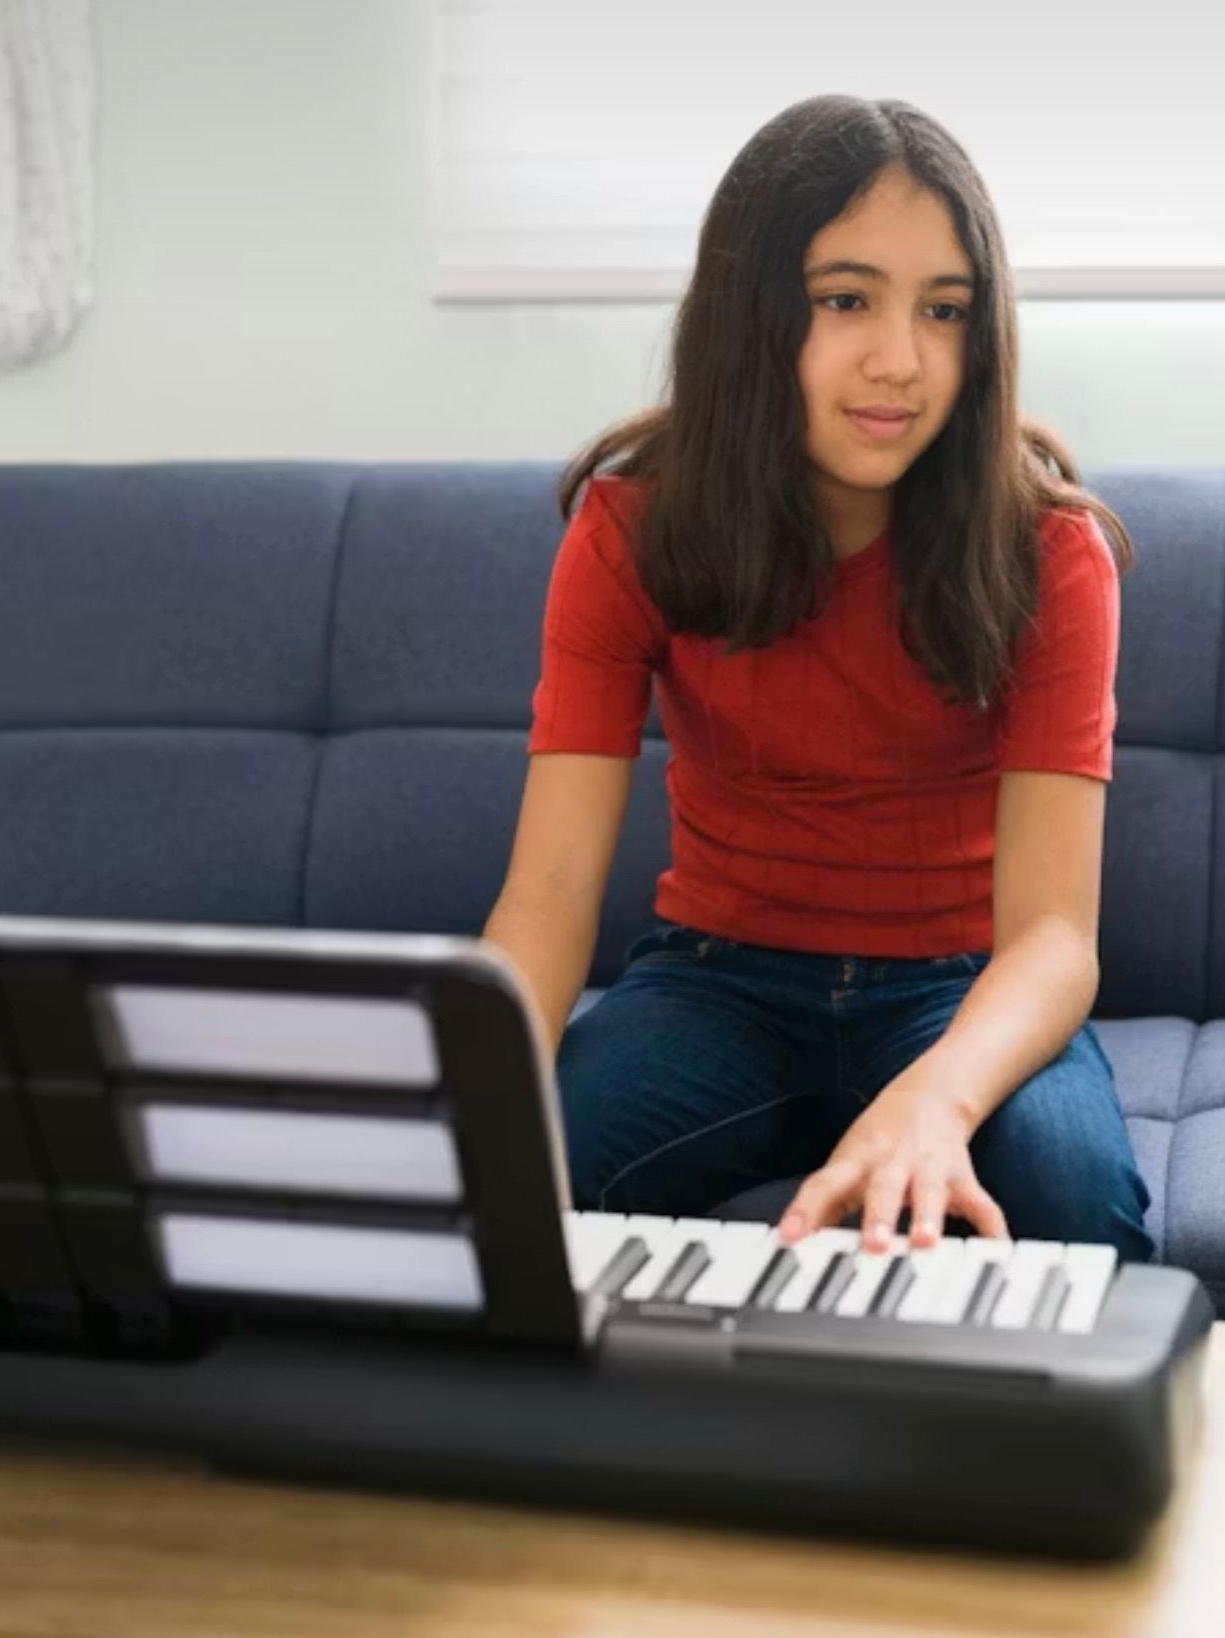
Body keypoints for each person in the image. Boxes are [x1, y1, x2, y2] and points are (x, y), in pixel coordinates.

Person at [480, 94, 1152, 1264]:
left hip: (960, 991)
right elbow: (544, 899)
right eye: (845, 301)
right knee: (512, 1192)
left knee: (1070, 1210)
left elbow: (1051, 936)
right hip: (716, 988)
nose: (899, 361)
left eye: (942, 312)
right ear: (750, 314)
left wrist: (933, 1100)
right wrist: (465, 1115)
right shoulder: (628, 532)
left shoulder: (1049, 551)